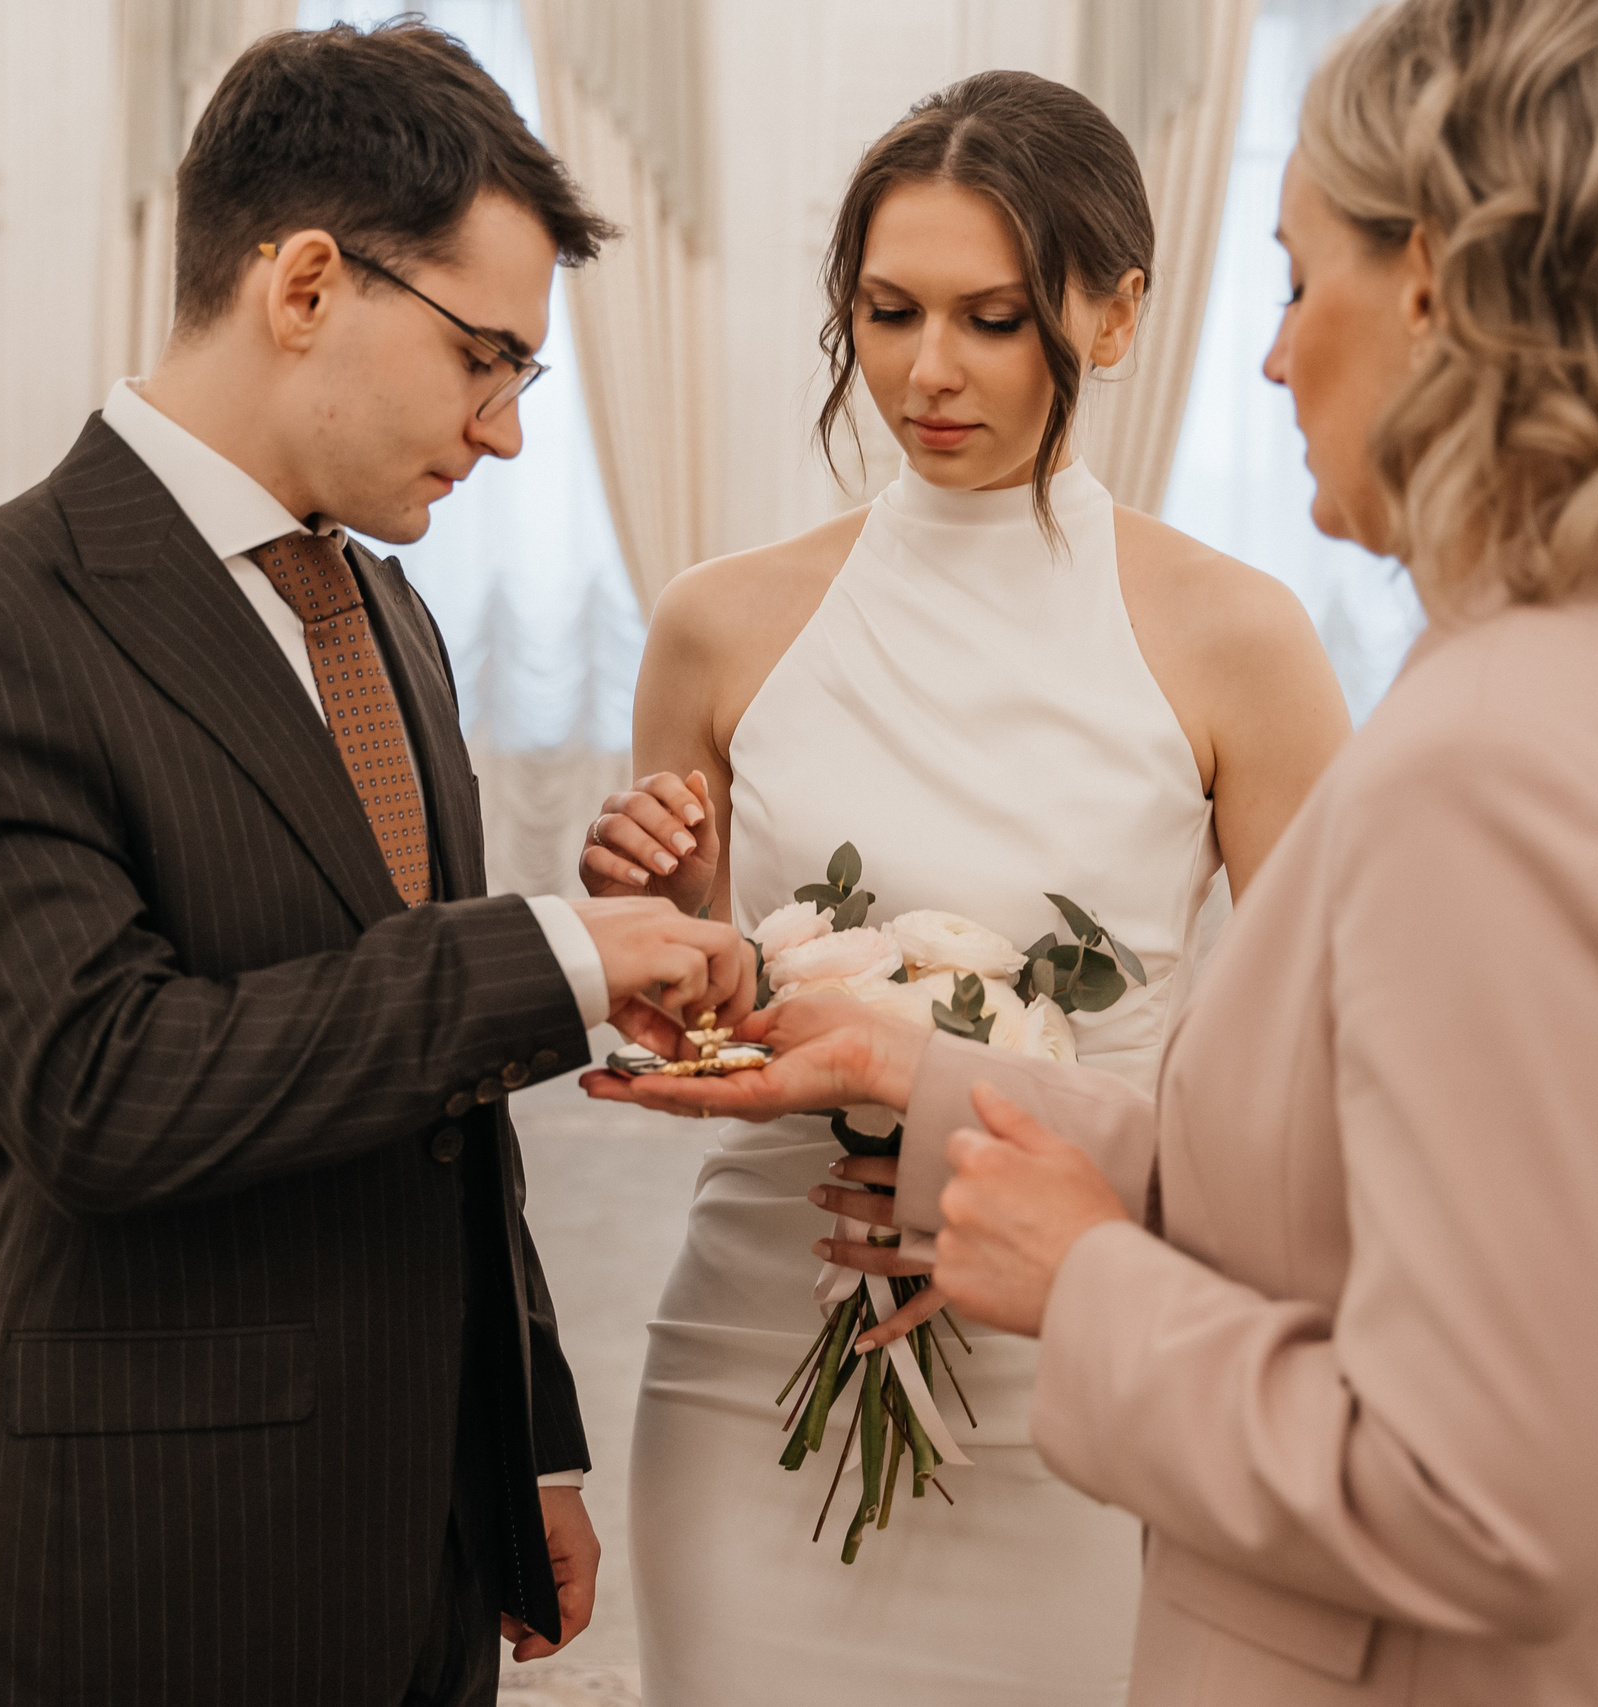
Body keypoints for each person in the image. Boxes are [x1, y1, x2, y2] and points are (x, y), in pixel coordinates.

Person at [593, 0, 1598, 1701]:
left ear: (1438, 286)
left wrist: (1085, 1285)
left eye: (1289, 275)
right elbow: (1374, 1193)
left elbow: (1492, 1484)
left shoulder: (1506, 765)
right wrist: (937, 1089)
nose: (1270, 355)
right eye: (891, 312)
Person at [0, 22, 750, 1707]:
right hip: (148, 1545)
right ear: (310, 283)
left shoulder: (384, 608)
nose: (504, 432)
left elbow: (437, 1102)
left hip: (421, 1534)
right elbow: (105, 1093)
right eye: (488, 356)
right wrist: (549, 954)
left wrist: (523, 1440)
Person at [577, 71, 1352, 1703]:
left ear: (1115, 311)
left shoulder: (1237, 637)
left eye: (994, 318)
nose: (929, 372)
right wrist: (659, 918)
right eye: (889, 310)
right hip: (755, 1343)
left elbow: (1322, 1068)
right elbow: (694, 1019)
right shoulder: (720, 626)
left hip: (1079, 1356)